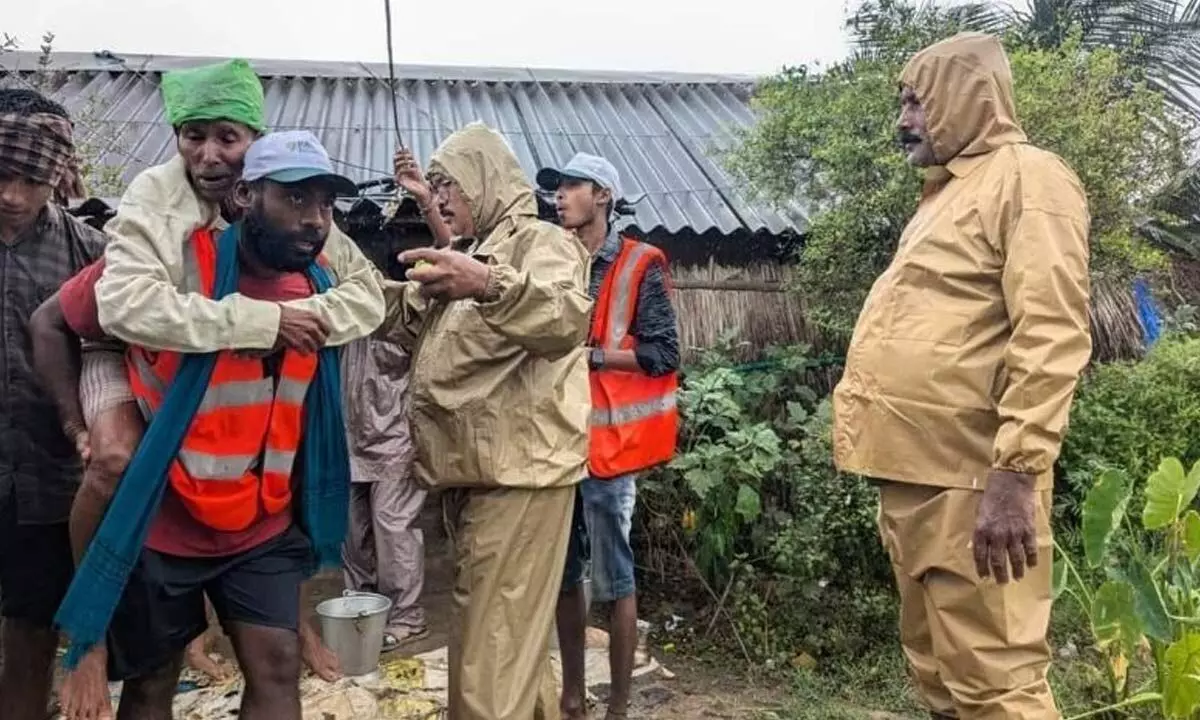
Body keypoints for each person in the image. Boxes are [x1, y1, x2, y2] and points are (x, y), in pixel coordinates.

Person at [40, 129, 374, 720]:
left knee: (277, 667)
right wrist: (79, 427)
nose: (315, 221)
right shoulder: (168, 268)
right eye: (295, 200)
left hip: (258, 520)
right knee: (151, 682)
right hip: (163, 519)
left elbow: (377, 304)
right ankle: (85, 644)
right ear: (246, 198)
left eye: (325, 204)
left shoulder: (324, 289)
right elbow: (54, 321)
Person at [832, 32, 1091, 719]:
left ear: (967, 98)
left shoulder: (1028, 178)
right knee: (939, 678)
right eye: (904, 102)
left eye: (918, 101)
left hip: (976, 481)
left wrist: (1016, 474)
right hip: (915, 475)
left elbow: (1053, 330)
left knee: (996, 686)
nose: (904, 119)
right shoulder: (945, 193)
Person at [376, 121, 593, 720]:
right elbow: (414, 317)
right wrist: (344, 282)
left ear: (484, 178)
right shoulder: (478, 252)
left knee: (488, 655)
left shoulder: (538, 243)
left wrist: (488, 282)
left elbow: (566, 318)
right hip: (489, 475)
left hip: (522, 477)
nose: (438, 196)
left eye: (448, 182)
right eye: (436, 184)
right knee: (509, 648)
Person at [537, 153, 680, 720]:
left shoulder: (641, 262)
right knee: (565, 575)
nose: (559, 196)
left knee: (614, 578)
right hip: (554, 443)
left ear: (602, 195)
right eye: (557, 188)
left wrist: (593, 355)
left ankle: (618, 706)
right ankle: (574, 696)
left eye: (570, 186)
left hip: (611, 450)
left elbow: (665, 352)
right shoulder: (551, 259)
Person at [0, 87, 105, 720]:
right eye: (0, 175)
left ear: (57, 174)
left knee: (30, 631)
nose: (11, 194)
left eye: (30, 179)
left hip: (47, 474)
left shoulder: (89, 252)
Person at [339, 336, 428, 649]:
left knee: (392, 524)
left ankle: (406, 616)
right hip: (350, 429)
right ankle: (361, 609)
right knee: (351, 529)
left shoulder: (409, 297)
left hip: (397, 433)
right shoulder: (348, 295)